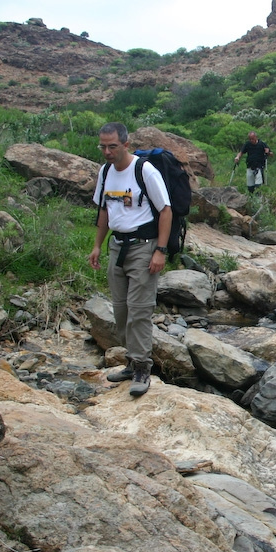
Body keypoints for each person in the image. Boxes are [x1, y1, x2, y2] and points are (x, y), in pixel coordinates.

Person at [88, 122, 172, 396]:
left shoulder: (144, 171)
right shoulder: (105, 172)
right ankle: (131, 362)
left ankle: (142, 368)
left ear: (126, 144)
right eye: (103, 146)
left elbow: (166, 210)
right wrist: (97, 245)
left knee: (139, 310)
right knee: (121, 311)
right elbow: (104, 211)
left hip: (144, 247)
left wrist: (160, 251)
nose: (107, 152)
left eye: (112, 146)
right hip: (117, 247)